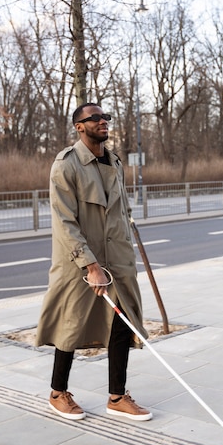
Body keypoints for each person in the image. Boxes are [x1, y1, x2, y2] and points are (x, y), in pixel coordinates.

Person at [36, 102, 152, 422]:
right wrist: (89, 265)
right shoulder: (66, 165)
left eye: (106, 117)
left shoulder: (114, 161)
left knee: (121, 323)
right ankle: (58, 393)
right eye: (95, 118)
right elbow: (64, 221)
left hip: (117, 258)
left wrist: (126, 250)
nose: (103, 122)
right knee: (70, 324)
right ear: (79, 127)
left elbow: (118, 212)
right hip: (79, 262)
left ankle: (117, 396)